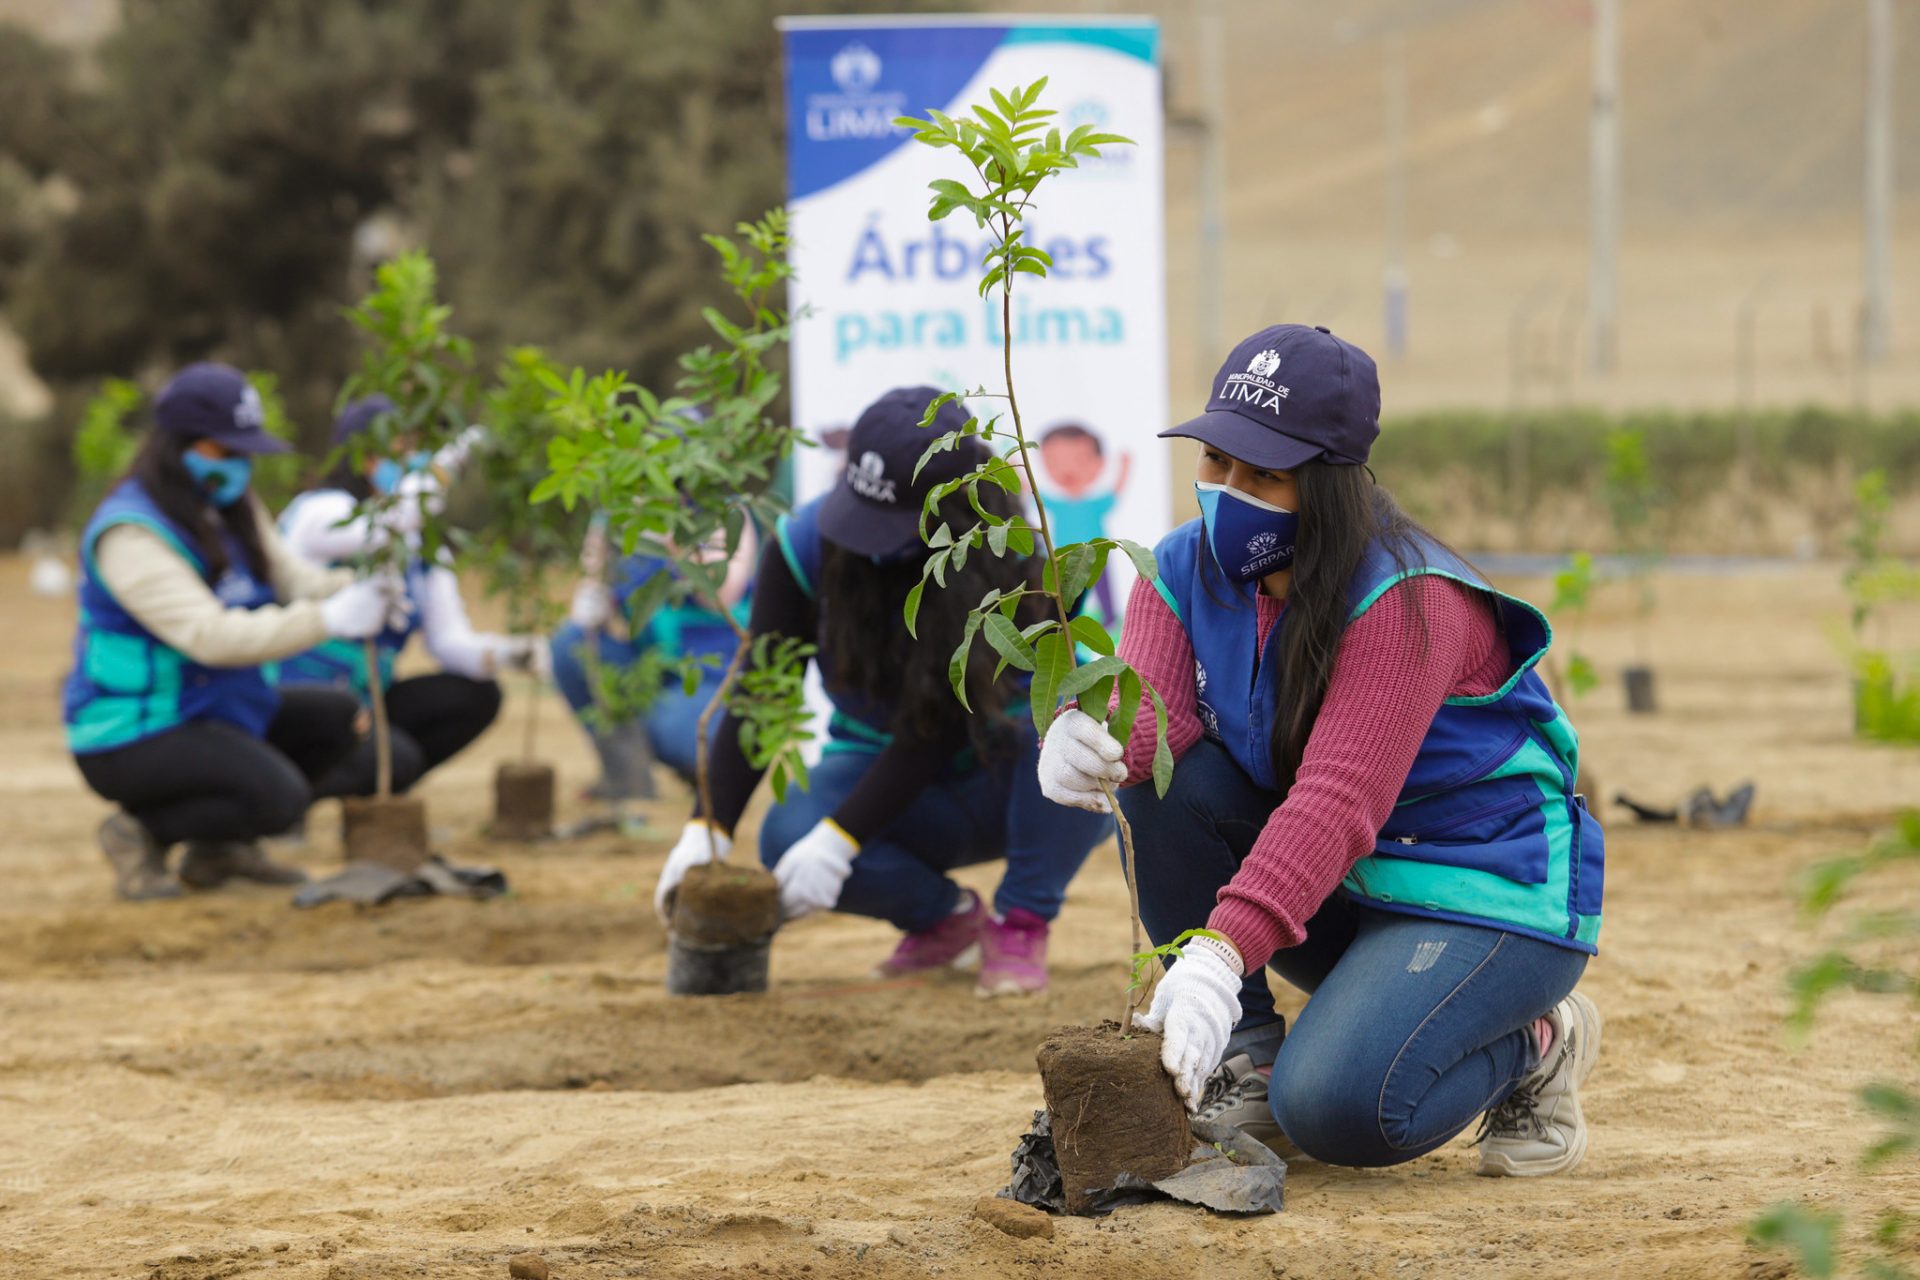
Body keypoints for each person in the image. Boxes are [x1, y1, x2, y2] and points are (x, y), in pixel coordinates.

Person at [1038, 324, 1606, 1176]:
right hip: (1350, 886)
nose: (1229, 490)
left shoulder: (1405, 600)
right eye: (1216, 462)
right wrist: (1087, 733)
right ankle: (1252, 1055)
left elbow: (1336, 803)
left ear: (1330, 486)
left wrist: (1216, 959)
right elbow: (1158, 736)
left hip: (1486, 898)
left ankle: (1539, 1037)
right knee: (1165, 783)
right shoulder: (1180, 568)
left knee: (1339, 1111)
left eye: (1265, 475)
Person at [651, 387, 1114, 996]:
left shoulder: (1014, 558)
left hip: (1011, 779)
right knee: (787, 835)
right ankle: (946, 918)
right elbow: (762, 690)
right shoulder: (804, 546)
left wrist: (842, 839)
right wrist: (705, 828)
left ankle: (1021, 918)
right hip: (890, 778)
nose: (868, 541)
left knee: (1070, 731)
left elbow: (943, 718)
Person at [64, 363, 398, 900]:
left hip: (215, 706)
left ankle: (219, 849)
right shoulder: (130, 533)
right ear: (177, 447)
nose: (240, 466)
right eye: (226, 451)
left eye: (246, 452)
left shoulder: (230, 507)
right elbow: (209, 637)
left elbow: (293, 579)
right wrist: (328, 621)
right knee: (280, 799)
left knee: (336, 719)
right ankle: (142, 832)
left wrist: (355, 590)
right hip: (134, 728)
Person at [278, 396, 544, 797]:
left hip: (367, 700)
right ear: (362, 456)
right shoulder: (320, 512)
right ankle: (294, 790)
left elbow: (450, 642)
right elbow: (382, 528)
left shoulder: (423, 547)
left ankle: (366, 787)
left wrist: (508, 654)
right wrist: (439, 474)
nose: (414, 460)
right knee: (397, 756)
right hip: (294, 701)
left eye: (419, 449)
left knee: (476, 695)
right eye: (401, 448)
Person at [550, 519, 756, 800]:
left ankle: (697, 766)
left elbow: (721, 593)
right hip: (648, 662)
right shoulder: (614, 517)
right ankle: (626, 779)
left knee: (691, 740)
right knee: (571, 646)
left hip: (707, 671)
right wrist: (597, 579)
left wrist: (680, 543)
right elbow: (592, 609)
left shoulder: (720, 511)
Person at [1036, 422, 1130, 621]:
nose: (1068, 471)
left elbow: (1115, 492)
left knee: (1102, 588)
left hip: (1097, 553)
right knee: (1067, 592)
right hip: (1064, 556)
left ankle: (1109, 618)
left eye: (1080, 460)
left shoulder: (1094, 503)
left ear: (1100, 463)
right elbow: (1034, 494)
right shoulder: (1057, 504)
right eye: (1054, 462)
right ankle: (1066, 621)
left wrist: (1125, 468)